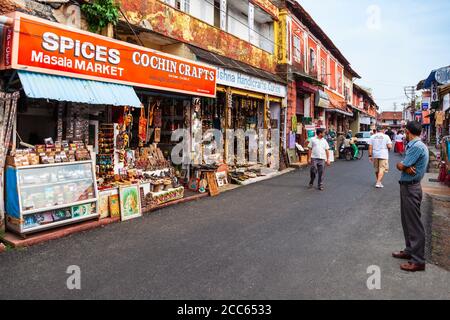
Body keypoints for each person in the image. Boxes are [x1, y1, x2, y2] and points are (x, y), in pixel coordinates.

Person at [393, 121, 429, 272]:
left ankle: (418, 261)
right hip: (408, 187)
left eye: (405, 131)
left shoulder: (416, 147)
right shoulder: (415, 145)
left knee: (413, 224)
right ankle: (410, 251)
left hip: (411, 188)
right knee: (407, 221)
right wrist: (403, 166)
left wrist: (402, 166)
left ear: (408, 131)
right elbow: (402, 166)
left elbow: (402, 165)